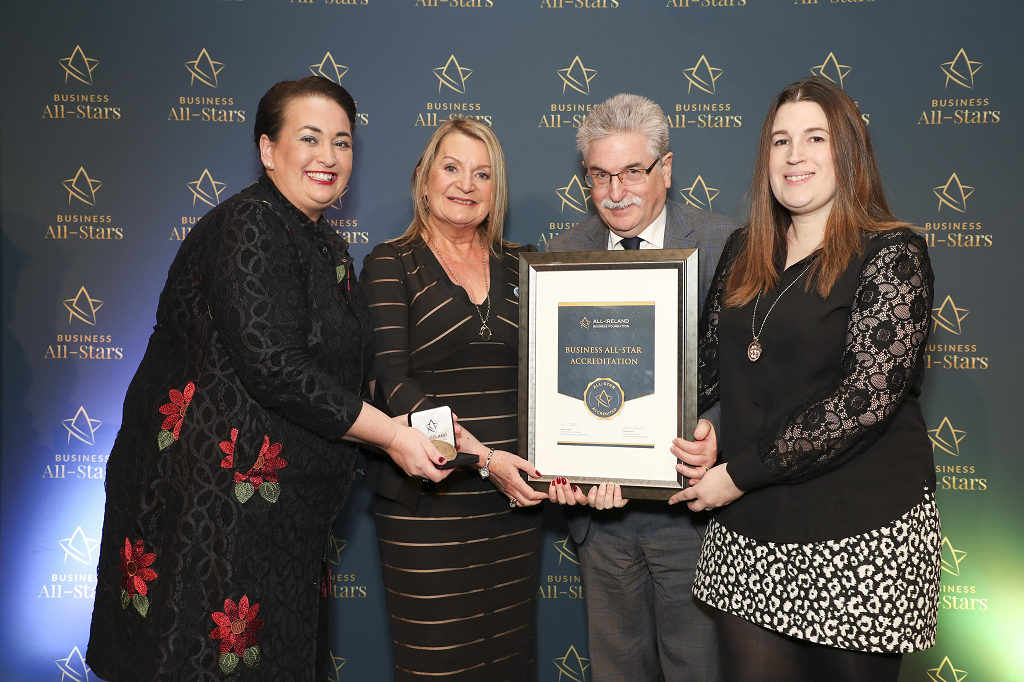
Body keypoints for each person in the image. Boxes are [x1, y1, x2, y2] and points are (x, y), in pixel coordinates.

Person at [86, 76, 452, 682]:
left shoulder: (326, 245)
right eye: (309, 138)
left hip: (277, 510)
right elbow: (275, 368)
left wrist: (439, 435)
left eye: (342, 142)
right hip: (209, 504)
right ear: (266, 149)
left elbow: (349, 376)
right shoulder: (249, 225)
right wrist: (391, 438)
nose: (329, 157)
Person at [680, 77, 940, 682]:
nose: (794, 155)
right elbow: (707, 373)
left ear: (847, 152)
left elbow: (863, 401)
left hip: (860, 535)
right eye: (780, 141)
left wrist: (735, 476)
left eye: (814, 138)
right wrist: (615, 441)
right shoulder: (746, 248)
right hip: (750, 533)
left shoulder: (891, 254)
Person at [545, 93, 737, 682]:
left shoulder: (726, 245)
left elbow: (758, 372)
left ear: (666, 169)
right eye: (600, 174)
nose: (616, 190)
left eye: (632, 171)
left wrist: (716, 435)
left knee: (697, 670)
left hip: (690, 512)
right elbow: (555, 389)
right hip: (600, 522)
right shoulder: (559, 255)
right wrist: (564, 466)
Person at [360, 117, 547, 682]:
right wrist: (484, 460)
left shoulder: (528, 265)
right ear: (423, 178)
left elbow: (558, 374)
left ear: (497, 189)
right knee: (437, 668)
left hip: (513, 500)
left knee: (508, 664)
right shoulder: (390, 263)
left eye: (482, 173)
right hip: (429, 504)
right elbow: (393, 385)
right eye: (452, 168)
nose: (466, 184)